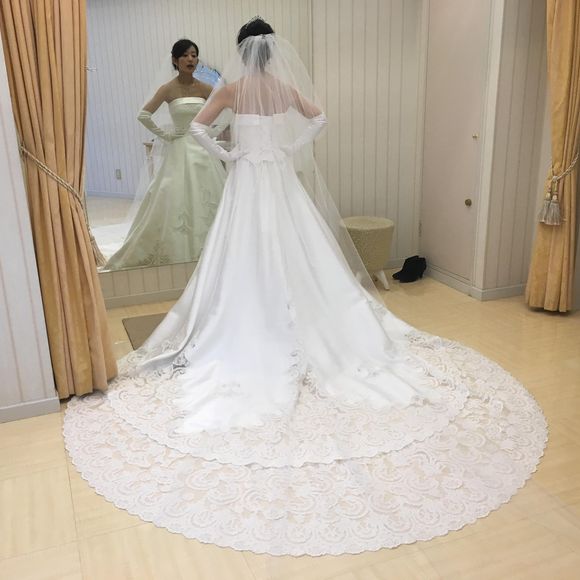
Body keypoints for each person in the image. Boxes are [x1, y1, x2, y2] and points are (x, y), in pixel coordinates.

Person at [65, 18, 546, 556]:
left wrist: (230, 154)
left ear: (242, 51)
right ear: (271, 53)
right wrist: (287, 147)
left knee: (246, 245)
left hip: (248, 177)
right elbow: (319, 119)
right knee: (295, 244)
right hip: (278, 175)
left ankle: (254, 314)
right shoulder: (280, 88)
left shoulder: (231, 89)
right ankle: (305, 312)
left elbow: (198, 129)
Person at [104, 39, 227, 270]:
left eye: (194, 55)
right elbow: (143, 115)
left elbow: (226, 110)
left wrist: (210, 132)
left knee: (208, 197)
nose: (191, 59)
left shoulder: (205, 88)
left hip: (203, 151)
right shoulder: (168, 89)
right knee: (173, 196)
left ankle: (214, 252)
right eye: (185, 55)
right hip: (179, 149)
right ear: (175, 60)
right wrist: (166, 135)